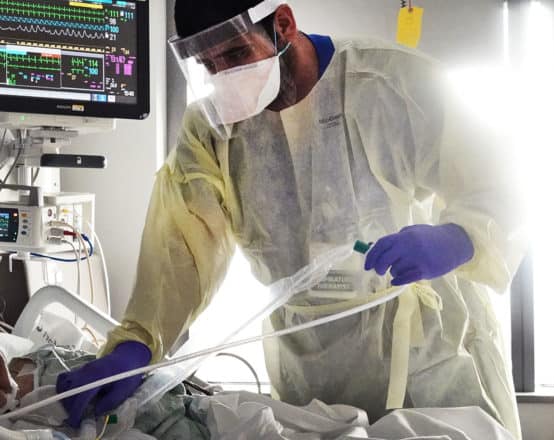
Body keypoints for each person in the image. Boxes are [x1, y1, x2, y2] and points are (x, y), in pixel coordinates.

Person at [55, 0, 527, 436]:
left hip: (428, 360)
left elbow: (502, 178)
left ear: (283, 24)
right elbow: (181, 245)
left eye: (236, 53)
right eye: (209, 65)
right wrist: (137, 343)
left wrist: (459, 237)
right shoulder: (213, 130)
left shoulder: (391, 82)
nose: (225, 77)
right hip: (310, 372)